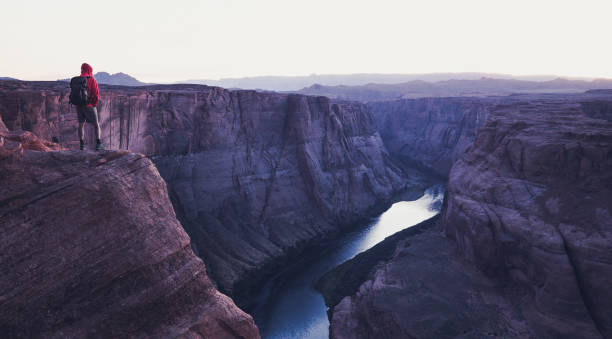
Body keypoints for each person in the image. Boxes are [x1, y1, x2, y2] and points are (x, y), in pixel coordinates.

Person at [71, 63, 104, 150]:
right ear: (90, 70)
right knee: (96, 125)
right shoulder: (91, 79)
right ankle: (98, 144)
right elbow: (96, 94)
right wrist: (94, 104)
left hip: (79, 105)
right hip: (89, 105)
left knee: (81, 124)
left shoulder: (77, 80)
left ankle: (82, 145)